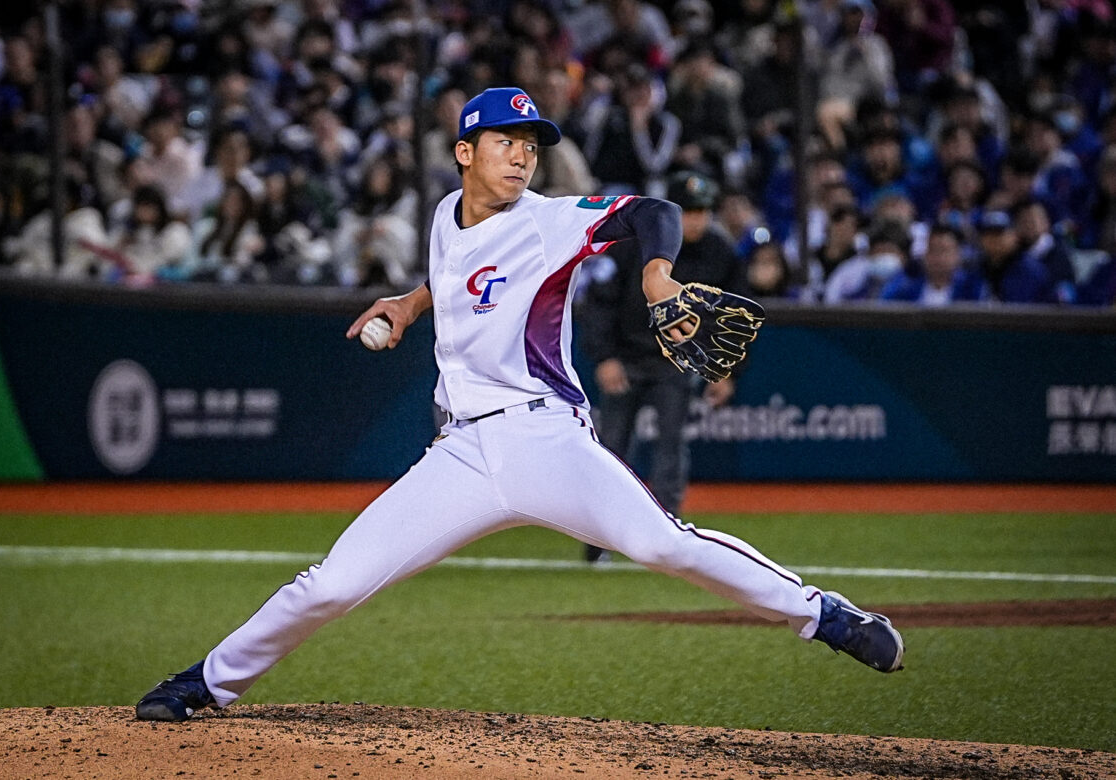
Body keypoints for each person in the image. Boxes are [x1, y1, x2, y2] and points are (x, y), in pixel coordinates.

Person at [135, 86, 905, 723]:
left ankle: (825, 613)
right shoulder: (445, 214)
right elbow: (457, 275)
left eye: (532, 145)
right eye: (506, 141)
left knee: (664, 544)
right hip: (461, 455)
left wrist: (655, 277)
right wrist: (409, 304)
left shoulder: (547, 221)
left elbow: (653, 211)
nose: (523, 156)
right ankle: (208, 681)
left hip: (546, 441)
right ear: (464, 152)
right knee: (332, 584)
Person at [577, 171, 745, 562]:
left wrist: (727, 370)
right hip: (627, 360)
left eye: (703, 211)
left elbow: (733, 317)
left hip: (677, 365)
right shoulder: (633, 246)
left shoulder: (720, 252)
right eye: (688, 211)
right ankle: (600, 540)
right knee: (611, 453)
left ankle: (666, 538)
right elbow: (600, 304)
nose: (696, 220)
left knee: (671, 450)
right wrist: (604, 357)